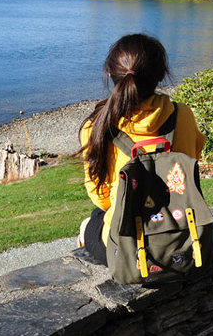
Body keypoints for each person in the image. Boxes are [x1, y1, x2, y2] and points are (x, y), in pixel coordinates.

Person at [77, 33, 205, 264]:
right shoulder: (183, 115)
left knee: (92, 220)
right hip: (182, 238)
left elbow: (102, 199)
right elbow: (192, 165)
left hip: (127, 247)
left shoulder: (96, 126)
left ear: (109, 73)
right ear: (161, 74)